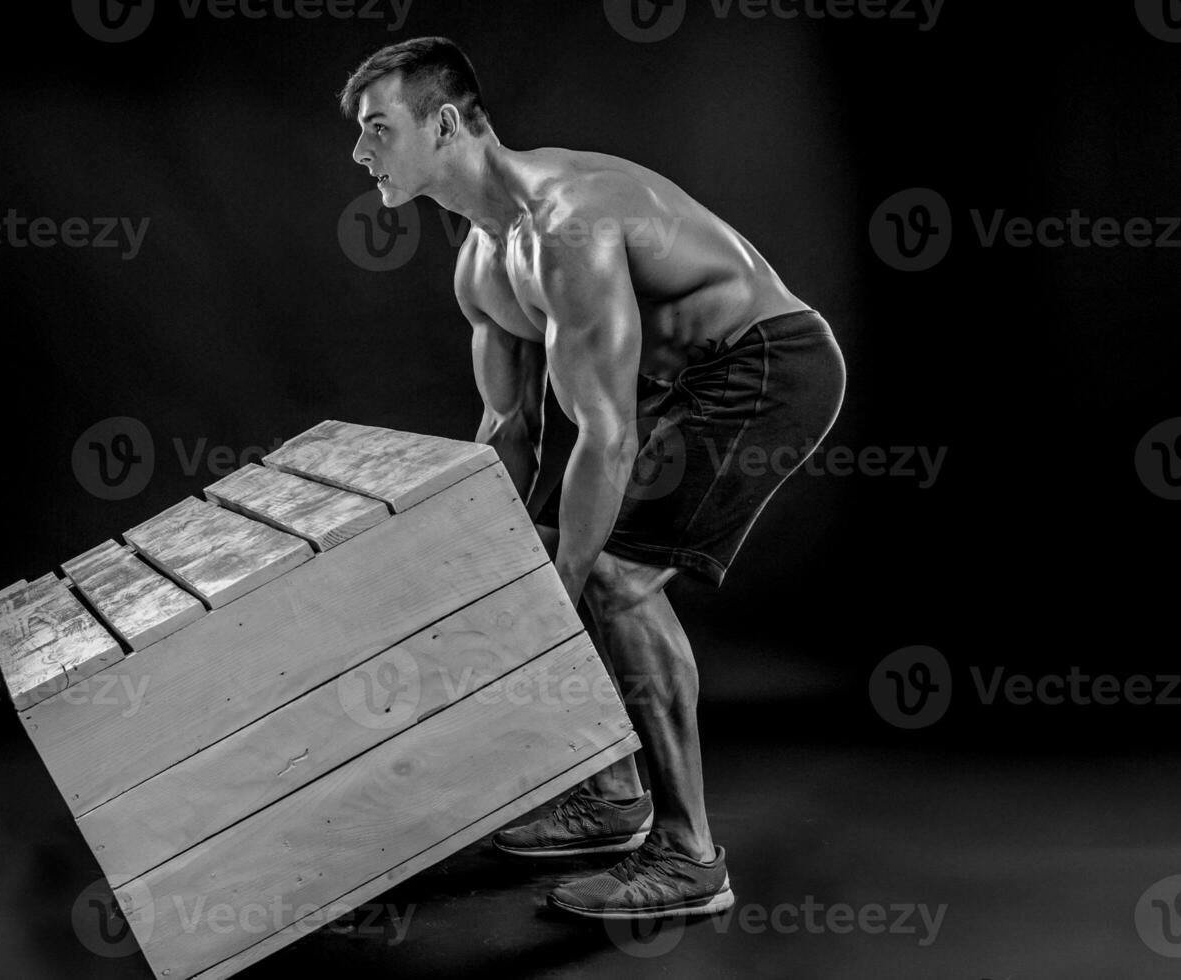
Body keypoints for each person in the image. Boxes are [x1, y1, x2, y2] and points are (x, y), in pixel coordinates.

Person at [339, 36, 845, 920]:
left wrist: (561, 591)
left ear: (446, 122)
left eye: (379, 128)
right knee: (540, 551)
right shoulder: (481, 264)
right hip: (670, 385)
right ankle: (612, 796)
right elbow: (510, 432)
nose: (359, 152)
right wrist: (493, 573)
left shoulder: (565, 225)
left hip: (767, 362)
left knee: (610, 579)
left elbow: (606, 439)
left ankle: (690, 857)